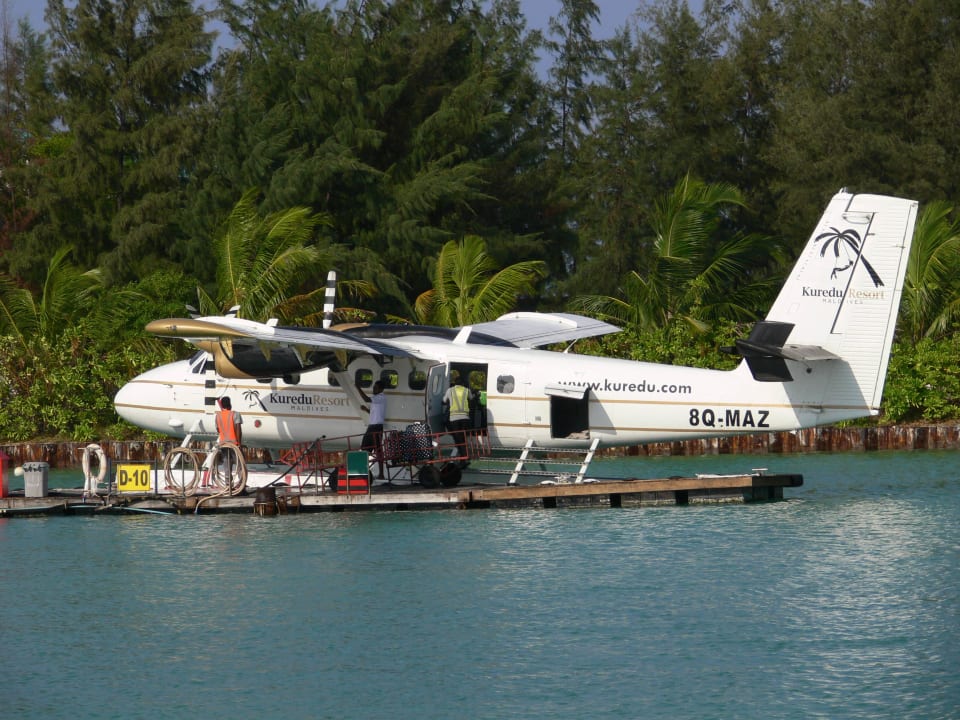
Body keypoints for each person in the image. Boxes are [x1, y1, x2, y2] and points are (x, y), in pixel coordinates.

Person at [443, 374, 473, 464]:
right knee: (463, 438)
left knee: (457, 438)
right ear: (463, 383)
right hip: (465, 418)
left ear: (454, 383)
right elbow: (471, 398)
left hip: (454, 419)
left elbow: (444, 400)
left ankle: (463, 457)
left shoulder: (450, 390)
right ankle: (463, 457)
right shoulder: (466, 390)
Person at [356, 380, 386, 454]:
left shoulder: (381, 397)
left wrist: (358, 388)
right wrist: (366, 409)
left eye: (376, 388)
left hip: (375, 428)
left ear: (381, 390)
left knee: (366, 448)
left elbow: (366, 399)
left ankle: (364, 464)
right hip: (374, 427)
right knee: (374, 450)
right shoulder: (376, 398)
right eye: (373, 388)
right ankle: (370, 464)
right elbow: (374, 413)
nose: (373, 389)